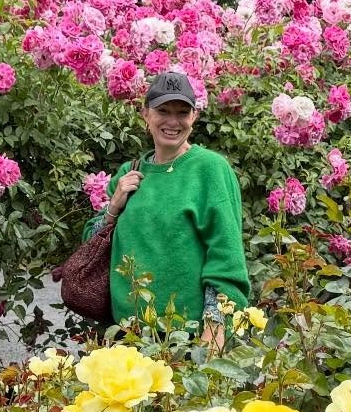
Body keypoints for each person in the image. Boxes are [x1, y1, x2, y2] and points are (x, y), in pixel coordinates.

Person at [84, 71, 249, 348]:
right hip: (126, 335)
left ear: (193, 118)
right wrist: (114, 206)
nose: (173, 121)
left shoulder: (209, 169)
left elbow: (226, 254)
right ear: (146, 114)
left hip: (187, 337)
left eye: (182, 112)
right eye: (163, 111)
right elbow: (92, 244)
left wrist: (215, 327)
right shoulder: (130, 172)